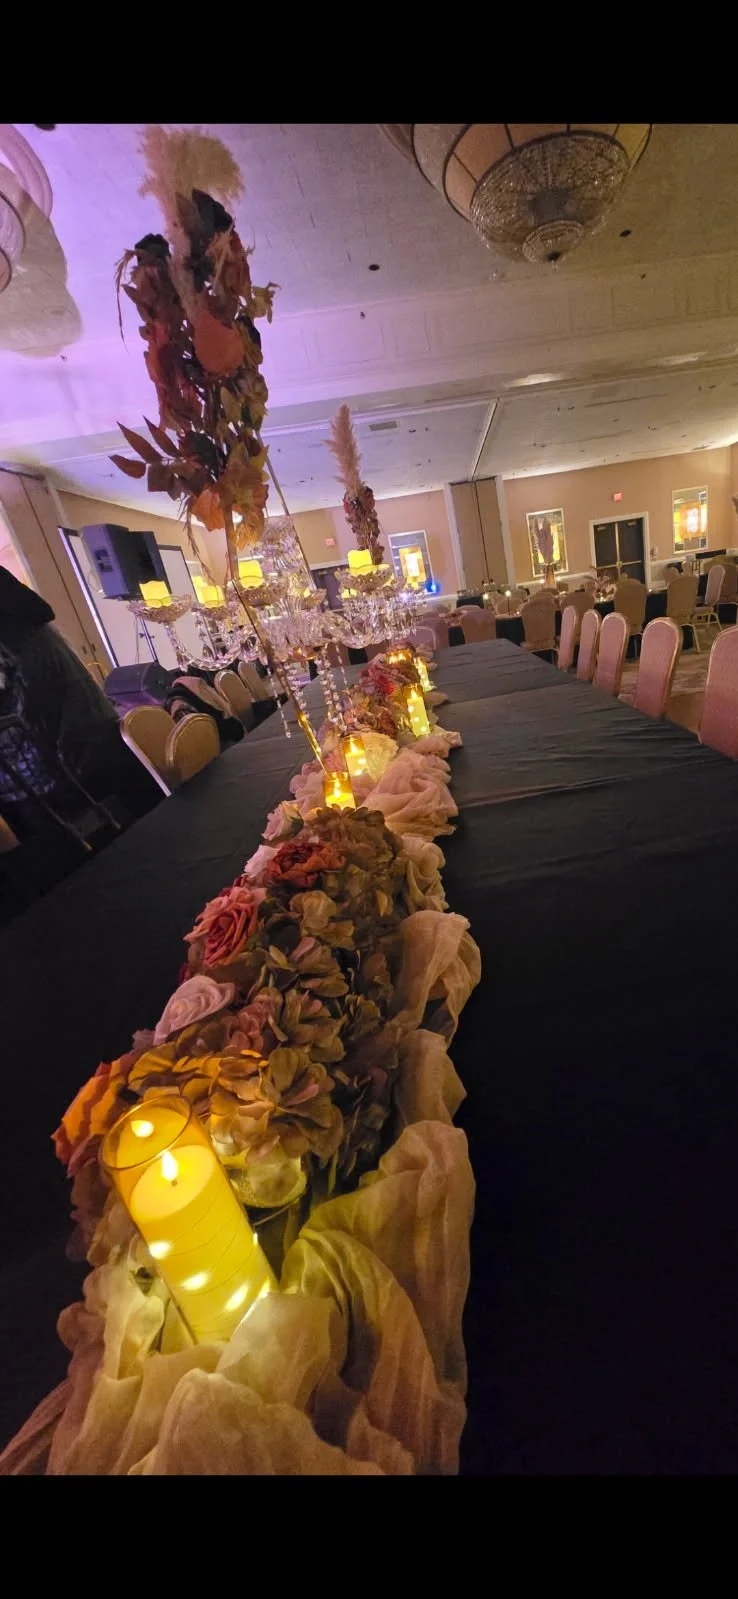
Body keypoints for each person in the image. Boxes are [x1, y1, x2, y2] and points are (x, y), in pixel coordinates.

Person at [0, 568, 159, 833]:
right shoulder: (24, 618)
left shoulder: (14, 636)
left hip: (59, 781)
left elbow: (21, 718)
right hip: (94, 747)